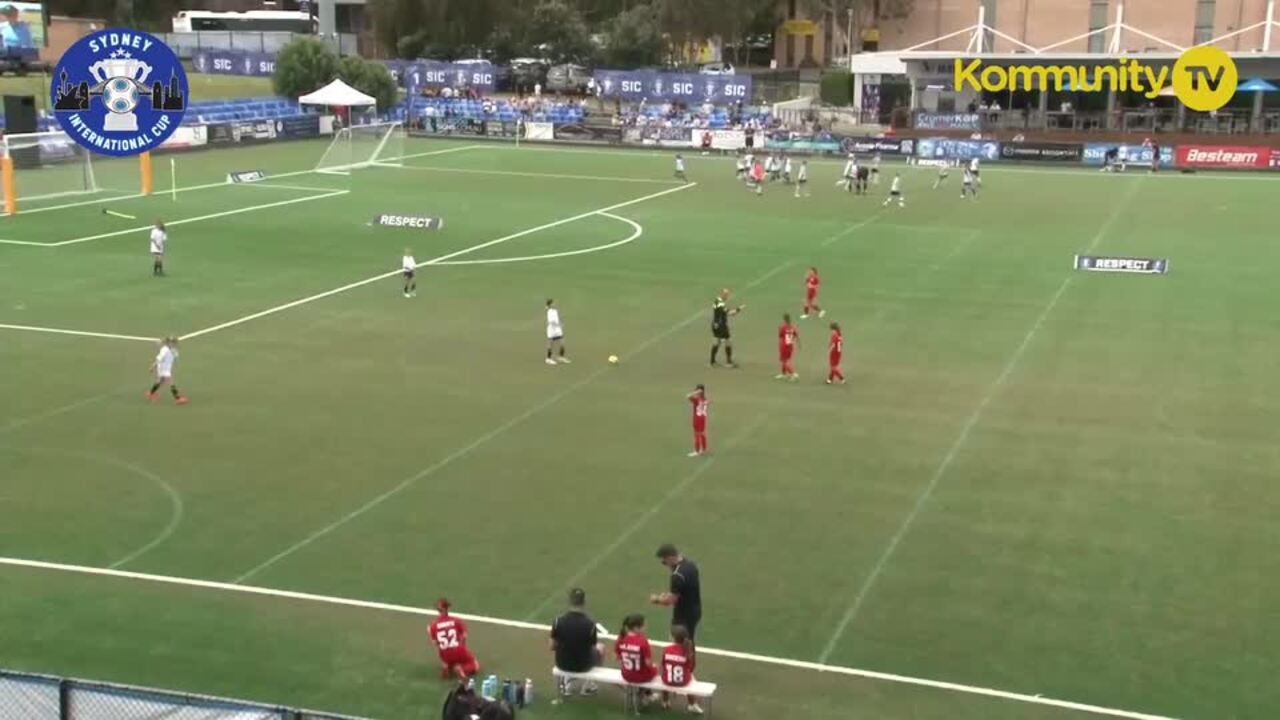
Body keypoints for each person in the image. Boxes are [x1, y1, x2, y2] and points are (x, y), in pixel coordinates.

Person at [551, 588, 604, 698]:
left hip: (562, 663)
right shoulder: (590, 624)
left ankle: (567, 685)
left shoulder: (557, 621)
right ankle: (588, 686)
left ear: (569, 601)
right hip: (583, 665)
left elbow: (551, 646)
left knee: (567, 649)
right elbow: (592, 647)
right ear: (584, 602)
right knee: (600, 647)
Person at [650, 544, 702, 641]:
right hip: (695, 610)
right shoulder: (691, 565)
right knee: (689, 640)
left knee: (678, 643)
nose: (665, 564)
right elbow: (684, 589)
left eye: (664, 561)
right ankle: (690, 656)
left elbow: (671, 601)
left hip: (682, 615)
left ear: (670, 557)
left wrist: (657, 599)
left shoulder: (677, 576)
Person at [428, 599, 480, 680]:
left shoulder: (432, 626)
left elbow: (435, 643)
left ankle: (447, 665)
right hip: (458, 650)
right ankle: (462, 669)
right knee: (475, 665)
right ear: (447, 608)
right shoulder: (456, 621)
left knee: (448, 656)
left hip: (445, 655)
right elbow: (464, 637)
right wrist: (462, 649)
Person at [661, 625, 702, 715]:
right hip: (683, 681)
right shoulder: (686, 651)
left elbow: (663, 664)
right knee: (691, 677)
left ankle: (665, 701)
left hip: (667, 680)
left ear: (672, 638)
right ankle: (692, 704)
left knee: (665, 673)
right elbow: (689, 668)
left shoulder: (666, 649)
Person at [614, 614, 658, 686]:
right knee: (654, 667)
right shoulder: (643, 641)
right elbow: (648, 663)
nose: (645, 628)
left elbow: (617, 658)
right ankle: (647, 693)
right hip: (643, 677)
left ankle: (644, 693)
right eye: (644, 626)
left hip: (626, 675)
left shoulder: (621, 640)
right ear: (636, 628)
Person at [147, 336, 188, 404]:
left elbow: (175, 355)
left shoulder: (173, 349)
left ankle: (150, 393)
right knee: (170, 382)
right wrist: (153, 366)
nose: (175, 344)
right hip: (163, 368)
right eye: (173, 342)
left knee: (160, 381)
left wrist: (174, 351)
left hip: (167, 368)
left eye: (175, 342)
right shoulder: (164, 350)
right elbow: (158, 359)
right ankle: (178, 398)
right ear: (169, 343)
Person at [709, 289, 742, 368]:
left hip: (715, 324)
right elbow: (730, 313)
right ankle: (728, 362)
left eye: (727, 295)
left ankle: (712, 361)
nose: (727, 296)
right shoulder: (720, 303)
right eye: (726, 295)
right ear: (722, 294)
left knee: (717, 342)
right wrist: (738, 309)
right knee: (728, 342)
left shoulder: (717, 301)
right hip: (721, 326)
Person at [545, 298, 570, 365]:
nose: (554, 304)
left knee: (562, 343)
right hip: (552, 330)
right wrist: (559, 324)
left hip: (558, 330)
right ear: (550, 304)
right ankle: (548, 359)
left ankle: (561, 357)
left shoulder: (555, 311)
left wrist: (559, 324)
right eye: (553, 303)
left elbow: (556, 319)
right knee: (551, 344)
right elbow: (551, 321)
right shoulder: (549, 312)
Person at [686, 384, 708, 457]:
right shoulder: (704, 399)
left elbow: (687, 396)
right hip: (703, 418)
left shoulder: (696, 399)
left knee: (697, 434)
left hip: (697, 418)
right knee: (702, 434)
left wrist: (695, 393)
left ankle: (697, 451)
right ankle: (703, 449)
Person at [776, 314, 799, 381]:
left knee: (784, 361)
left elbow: (780, 335)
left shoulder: (782, 327)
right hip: (790, 346)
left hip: (784, 346)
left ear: (784, 319)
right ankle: (783, 374)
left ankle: (793, 374)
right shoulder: (792, 327)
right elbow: (796, 335)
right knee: (786, 360)